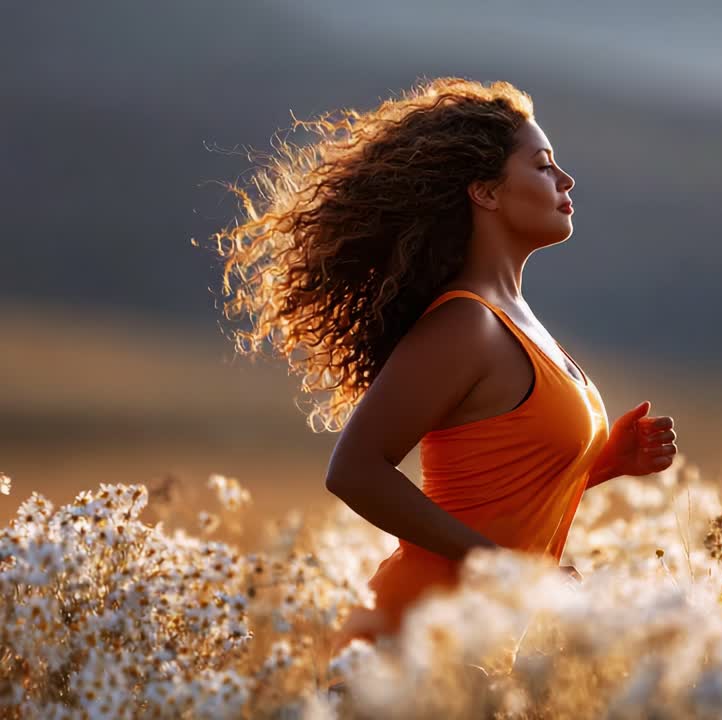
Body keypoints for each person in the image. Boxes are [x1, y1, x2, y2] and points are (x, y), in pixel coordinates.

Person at [208, 77, 679, 674]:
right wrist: (506, 571)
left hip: (468, 651)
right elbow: (353, 470)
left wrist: (606, 462)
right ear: (485, 192)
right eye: (542, 166)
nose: (566, 181)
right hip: (404, 645)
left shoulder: (515, 320)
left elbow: (499, 495)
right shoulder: (465, 325)